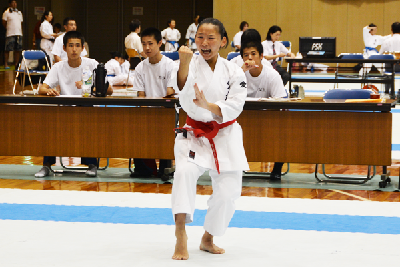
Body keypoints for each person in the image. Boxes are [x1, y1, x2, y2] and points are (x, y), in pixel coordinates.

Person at [172, 18, 248, 260]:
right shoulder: (189, 62)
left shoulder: (234, 70)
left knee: (228, 192)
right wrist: (183, 63)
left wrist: (210, 105)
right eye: (200, 38)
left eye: (210, 38)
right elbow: (183, 92)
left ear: (223, 42)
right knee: (184, 172)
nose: (204, 43)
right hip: (194, 132)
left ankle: (209, 236)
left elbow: (236, 106)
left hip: (225, 133)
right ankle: (181, 233)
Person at [34, 31, 113, 178]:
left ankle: (92, 164)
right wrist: (49, 91)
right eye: (71, 46)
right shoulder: (58, 67)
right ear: (64, 48)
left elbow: (109, 90)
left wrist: (88, 86)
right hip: (65, 110)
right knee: (50, 124)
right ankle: (46, 166)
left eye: (77, 46)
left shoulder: (92, 64)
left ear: (83, 48)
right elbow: (42, 88)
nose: (74, 49)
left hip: (87, 110)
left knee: (88, 121)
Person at [239, 29, 287, 180]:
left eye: (253, 54)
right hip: (241, 117)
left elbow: (281, 102)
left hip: (267, 118)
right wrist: (239, 74)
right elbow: (226, 96)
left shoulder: (272, 75)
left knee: (283, 127)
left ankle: (277, 168)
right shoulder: (238, 72)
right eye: (246, 55)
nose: (250, 58)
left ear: (261, 56)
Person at [130, 27, 176, 178]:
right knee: (137, 126)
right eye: (144, 44)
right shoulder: (140, 67)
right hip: (147, 112)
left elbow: (170, 93)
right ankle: (145, 169)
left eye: (151, 43)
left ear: (160, 43)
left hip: (166, 112)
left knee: (165, 126)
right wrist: (147, 114)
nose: (147, 48)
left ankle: (166, 168)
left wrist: (158, 113)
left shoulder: (170, 65)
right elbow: (141, 95)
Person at [2, 0, 23, 69]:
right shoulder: (6, 12)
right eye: (13, 3)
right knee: (8, 49)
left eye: (15, 3)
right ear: (10, 4)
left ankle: (16, 64)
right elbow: (4, 22)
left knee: (17, 50)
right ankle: (6, 64)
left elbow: (21, 23)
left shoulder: (19, 13)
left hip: (18, 33)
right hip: (10, 33)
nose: (14, 4)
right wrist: (8, 28)